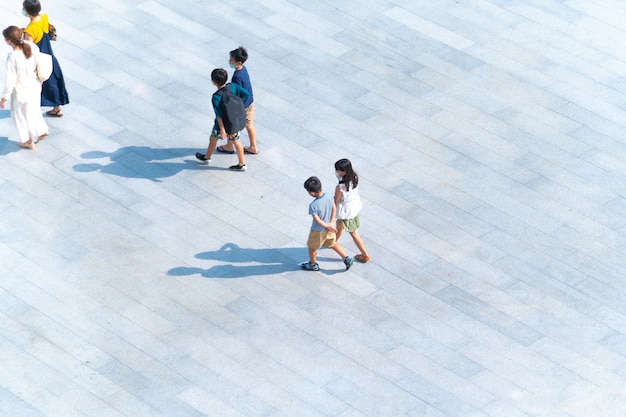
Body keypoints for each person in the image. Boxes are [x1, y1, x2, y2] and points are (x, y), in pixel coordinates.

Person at [1, 26, 49, 150]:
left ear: (9, 41)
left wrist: (4, 97)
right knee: (33, 111)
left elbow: (10, 80)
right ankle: (41, 130)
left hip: (21, 92)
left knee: (19, 116)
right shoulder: (31, 46)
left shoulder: (12, 57)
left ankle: (27, 141)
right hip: (35, 86)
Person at [195, 68, 249, 171]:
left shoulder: (216, 97)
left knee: (213, 138)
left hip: (221, 125)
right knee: (236, 141)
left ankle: (207, 157)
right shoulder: (233, 86)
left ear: (213, 82)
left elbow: (218, 115)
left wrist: (222, 129)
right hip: (234, 122)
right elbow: (245, 93)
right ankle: (242, 164)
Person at [23, 0, 69, 117]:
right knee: (53, 81)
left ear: (27, 12)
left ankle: (30, 109)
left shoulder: (30, 30)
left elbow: (29, 49)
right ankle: (57, 108)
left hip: (39, 61)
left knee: (35, 85)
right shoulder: (44, 17)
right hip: (49, 56)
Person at [300, 176, 354, 271]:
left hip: (317, 231)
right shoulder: (328, 196)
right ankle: (346, 259)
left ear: (312, 193)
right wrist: (330, 223)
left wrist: (326, 225)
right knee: (332, 243)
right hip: (329, 228)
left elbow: (317, 220)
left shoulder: (313, 205)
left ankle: (313, 265)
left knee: (312, 248)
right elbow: (333, 207)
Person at [215, 46, 258, 155]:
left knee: (232, 125)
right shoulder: (243, 69)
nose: (229, 61)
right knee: (249, 125)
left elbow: (237, 94)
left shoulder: (236, 77)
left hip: (242, 106)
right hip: (250, 102)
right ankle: (253, 147)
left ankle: (229, 146)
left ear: (238, 62)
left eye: (231, 60)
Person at [334, 159, 370, 263]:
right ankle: (333, 241)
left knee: (354, 233)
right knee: (339, 225)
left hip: (346, 212)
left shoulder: (340, 186)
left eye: (338, 170)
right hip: (354, 206)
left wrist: (331, 212)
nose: (336, 171)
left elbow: (335, 200)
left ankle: (365, 254)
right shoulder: (354, 177)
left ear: (344, 171)